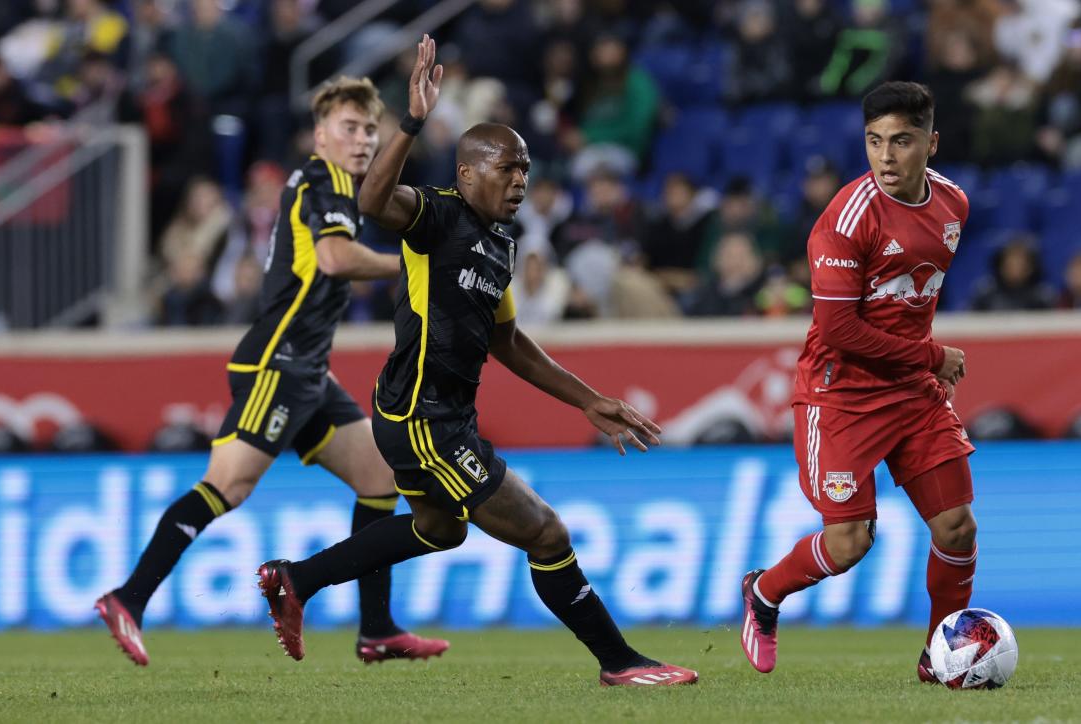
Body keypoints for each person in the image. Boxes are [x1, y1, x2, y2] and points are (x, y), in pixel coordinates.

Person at [253, 35, 697, 688]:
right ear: (467, 173)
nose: (519, 181)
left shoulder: (500, 244)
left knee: (439, 529)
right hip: (422, 418)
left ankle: (296, 580)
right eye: (506, 169)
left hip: (437, 414)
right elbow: (374, 203)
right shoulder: (439, 217)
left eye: (524, 171)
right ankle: (620, 663)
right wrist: (412, 122)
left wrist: (588, 400)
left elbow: (509, 341)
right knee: (546, 534)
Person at [96, 76, 447, 667]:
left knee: (381, 477)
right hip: (277, 365)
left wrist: (409, 126)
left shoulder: (328, 183)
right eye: (349, 128)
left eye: (368, 130)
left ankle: (378, 629)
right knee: (225, 487)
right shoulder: (323, 179)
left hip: (309, 370)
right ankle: (128, 598)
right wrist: (410, 262)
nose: (361, 140)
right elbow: (335, 258)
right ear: (320, 134)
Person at [738, 82, 976, 684]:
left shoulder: (954, 204)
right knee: (848, 543)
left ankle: (940, 658)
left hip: (911, 394)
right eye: (874, 142)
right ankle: (764, 593)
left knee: (957, 526)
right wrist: (930, 357)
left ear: (931, 142)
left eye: (901, 141)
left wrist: (920, 367)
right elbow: (840, 331)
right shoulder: (846, 220)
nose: (886, 157)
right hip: (839, 394)